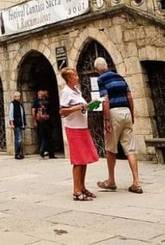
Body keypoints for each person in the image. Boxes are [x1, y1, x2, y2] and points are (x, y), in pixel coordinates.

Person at [93, 58, 143, 194]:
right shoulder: (120, 77)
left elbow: (105, 100)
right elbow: (130, 96)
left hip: (114, 113)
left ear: (97, 70)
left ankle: (111, 181)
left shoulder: (101, 79)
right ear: (107, 66)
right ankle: (136, 182)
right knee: (130, 148)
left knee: (110, 148)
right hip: (126, 111)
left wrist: (107, 119)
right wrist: (132, 114)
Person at [58, 68, 98, 201]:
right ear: (68, 78)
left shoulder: (76, 91)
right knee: (78, 160)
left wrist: (89, 106)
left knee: (84, 159)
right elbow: (62, 111)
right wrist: (79, 107)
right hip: (73, 128)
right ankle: (76, 190)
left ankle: (82, 187)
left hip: (82, 127)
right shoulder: (66, 92)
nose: (77, 76)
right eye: (74, 75)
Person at [31, 88, 53, 159]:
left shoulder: (37, 102)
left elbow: (33, 111)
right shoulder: (46, 102)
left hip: (42, 121)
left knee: (44, 137)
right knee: (47, 137)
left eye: (40, 94)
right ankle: (48, 152)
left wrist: (34, 120)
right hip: (44, 121)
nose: (38, 95)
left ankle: (44, 150)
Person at [8, 91, 26, 159]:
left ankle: (20, 153)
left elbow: (22, 115)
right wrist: (12, 123)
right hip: (16, 124)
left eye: (19, 96)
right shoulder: (13, 104)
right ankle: (17, 154)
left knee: (20, 139)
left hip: (20, 123)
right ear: (14, 97)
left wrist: (23, 124)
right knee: (18, 139)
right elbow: (11, 114)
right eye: (17, 96)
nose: (18, 97)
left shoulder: (20, 104)